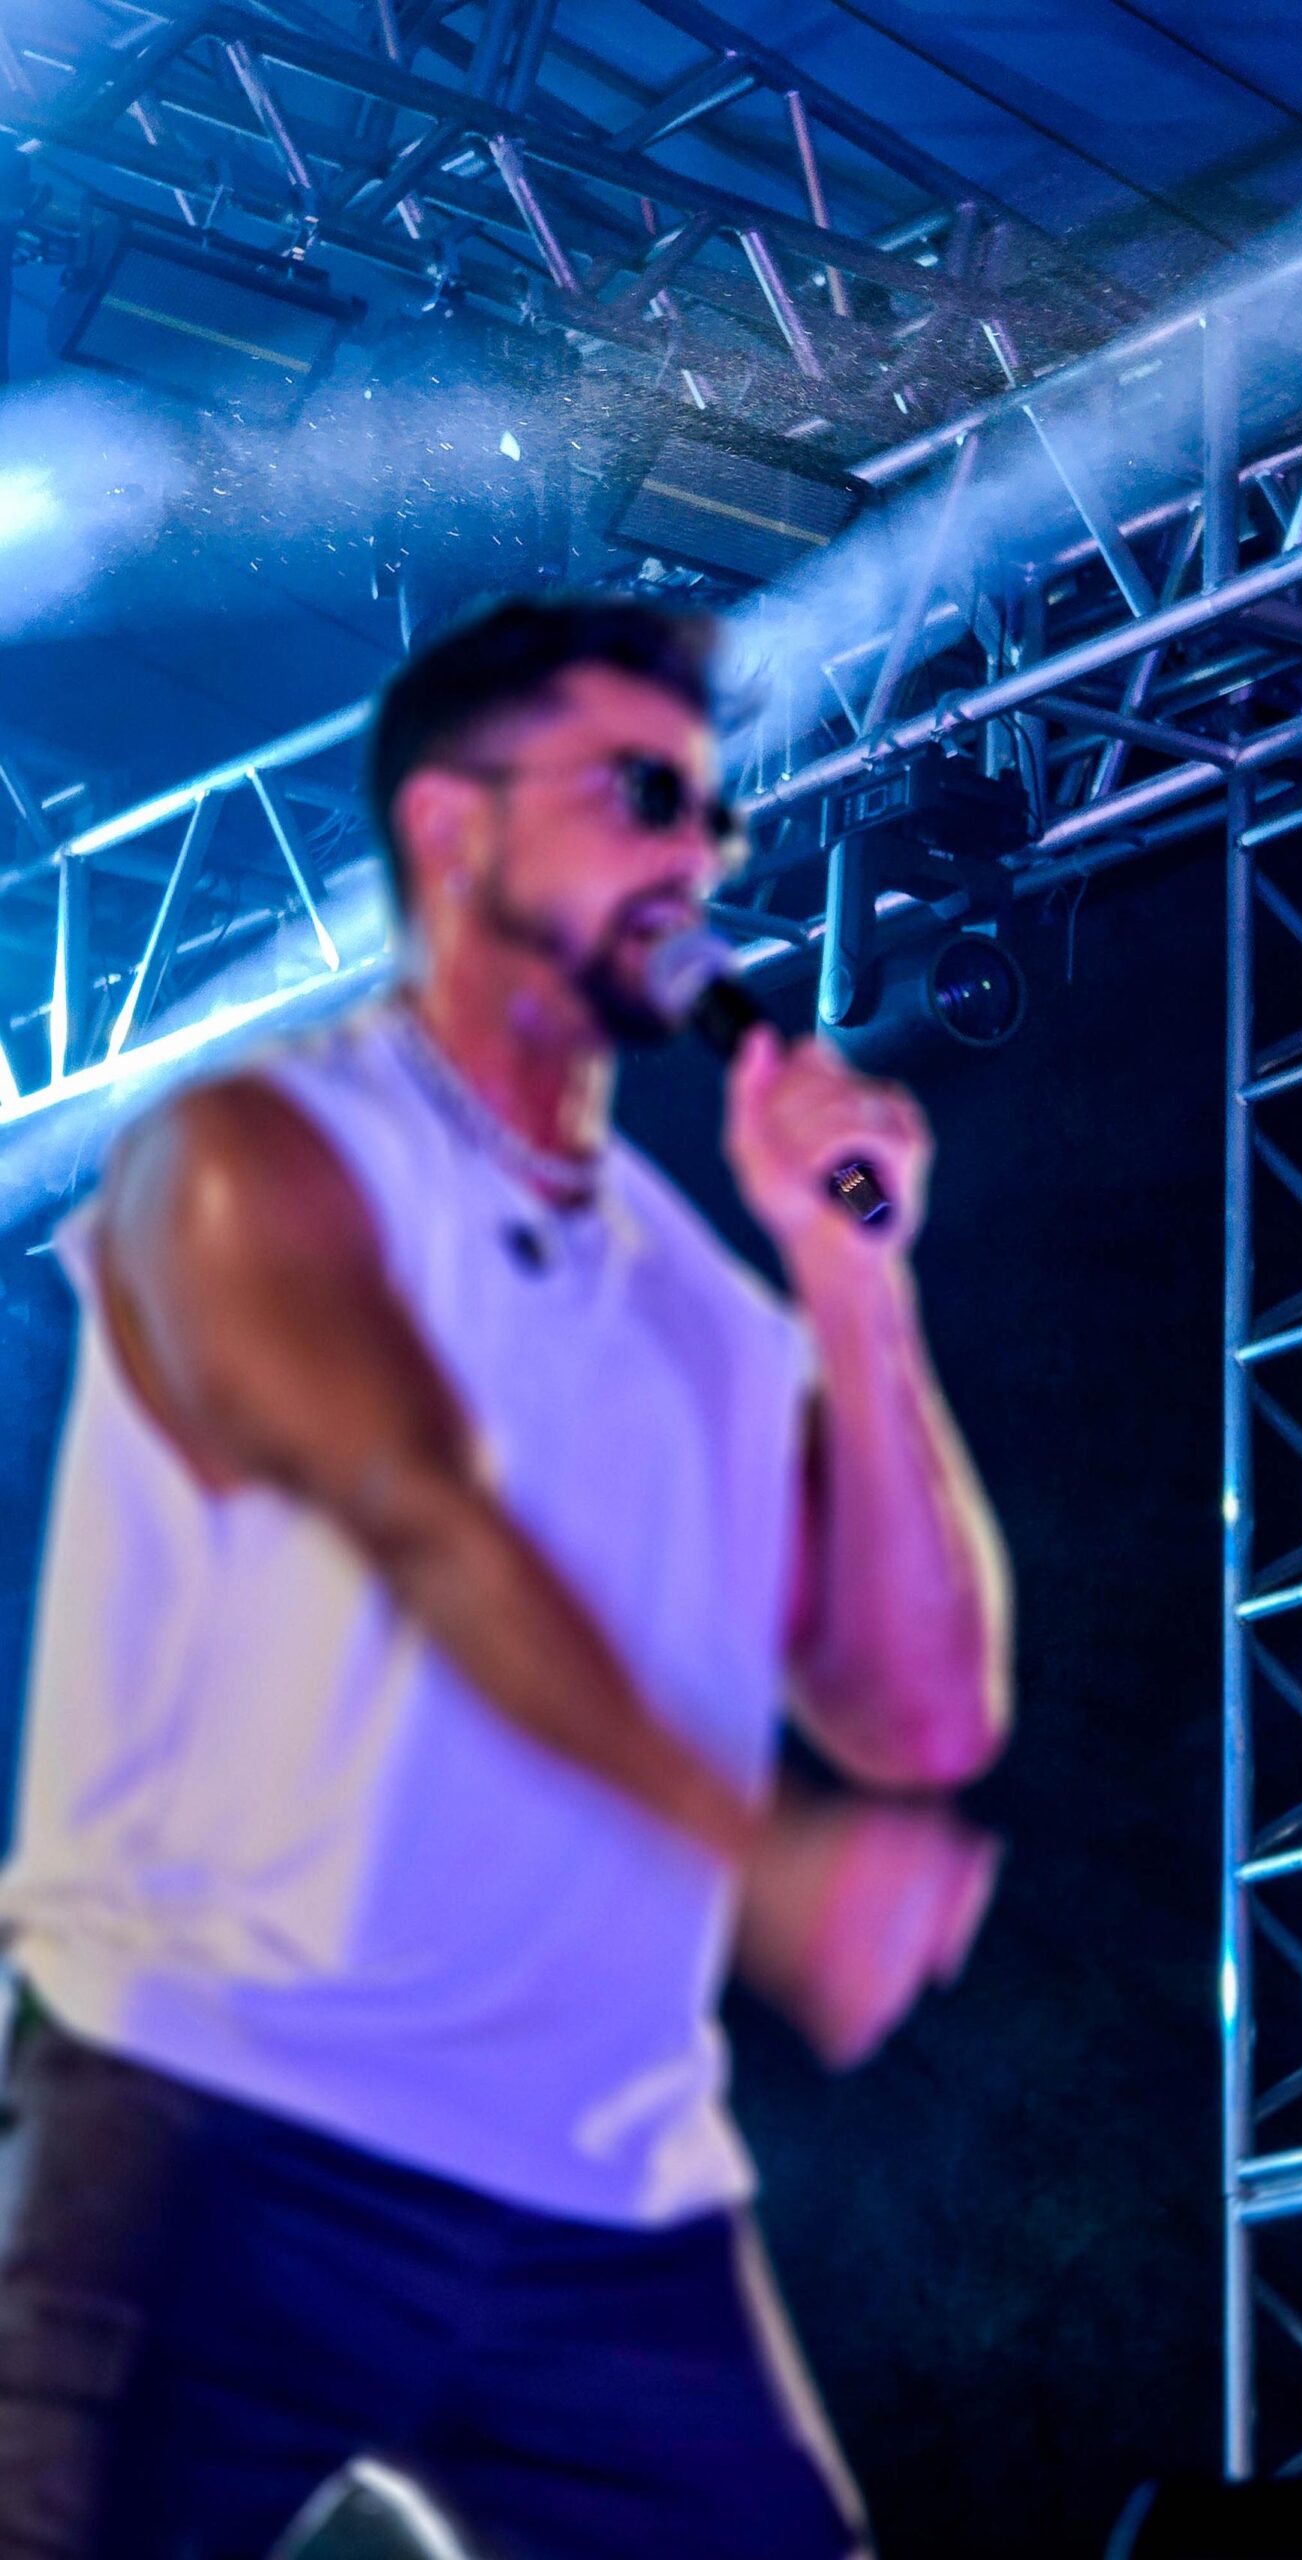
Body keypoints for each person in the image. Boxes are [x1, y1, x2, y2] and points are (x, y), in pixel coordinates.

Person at [0, 597, 1012, 2559]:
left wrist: (849, 1279)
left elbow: (916, 1701)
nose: (690, 852)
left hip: (572, 2153)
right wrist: (764, 1857)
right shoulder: (253, 1163)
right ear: (452, 837)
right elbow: (424, 1526)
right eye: (631, 796)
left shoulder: (686, 1302)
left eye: (697, 808)